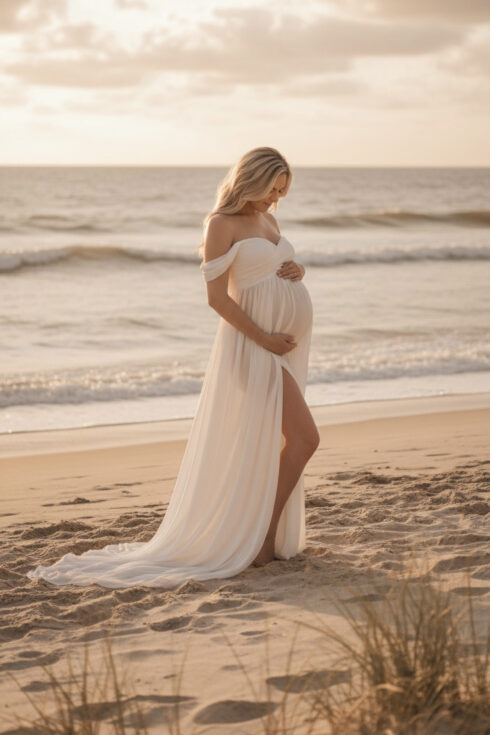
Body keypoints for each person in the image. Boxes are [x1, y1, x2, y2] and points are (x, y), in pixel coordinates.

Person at [27, 146, 319, 589]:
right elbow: (218, 297)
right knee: (304, 438)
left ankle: (263, 531)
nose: (276, 199)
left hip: (280, 347)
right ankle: (260, 535)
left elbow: (269, 267)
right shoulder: (220, 224)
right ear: (252, 180)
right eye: (272, 189)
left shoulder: (270, 220)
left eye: (282, 191)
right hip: (252, 348)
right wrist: (263, 338)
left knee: (279, 442)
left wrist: (295, 268)